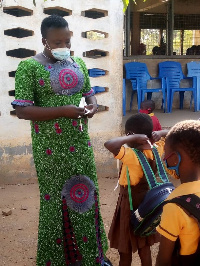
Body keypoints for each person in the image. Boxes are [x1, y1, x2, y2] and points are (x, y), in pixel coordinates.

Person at [11, 14, 110, 266]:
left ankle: (90, 256)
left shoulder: (78, 64)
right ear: (45, 41)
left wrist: (92, 107)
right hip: (50, 150)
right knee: (56, 199)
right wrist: (62, 111)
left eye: (66, 40)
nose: (63, 46)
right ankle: (58, 260)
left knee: (85, 194)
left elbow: (90, 95)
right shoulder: (29, 67)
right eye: (57, 42)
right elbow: (22, 110)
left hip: (80, 144)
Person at [104, 113, 168, 266]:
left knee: (124, 249)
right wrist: (159, 133)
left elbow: (109, 144)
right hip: (148, 203)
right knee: (144, 247)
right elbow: (172, 132)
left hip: (129, 205)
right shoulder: (157, 149)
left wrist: (130, 138)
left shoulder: (131, 155)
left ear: (132, 135)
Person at [156, 120, 200, 266]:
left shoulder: (175, 206)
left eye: (165, 155)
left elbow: (163, 260)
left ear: (175, 158)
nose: (164, 159)